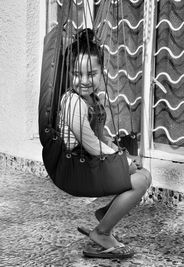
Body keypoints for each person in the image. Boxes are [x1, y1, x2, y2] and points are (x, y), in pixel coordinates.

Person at [59, 28, 152, 259]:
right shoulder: (72, 102)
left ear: (102, 72)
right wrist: (122, 162)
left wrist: (122, 155)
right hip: (76, 169)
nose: (83, 81)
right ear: (69, 74)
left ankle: (106, 214)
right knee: (140, 181)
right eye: (76, 74)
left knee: (143, 174)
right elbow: (91, 144)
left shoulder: (93, 99)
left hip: (90, 163)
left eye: (91, 74)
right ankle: (101, 232)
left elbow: (100, 137)